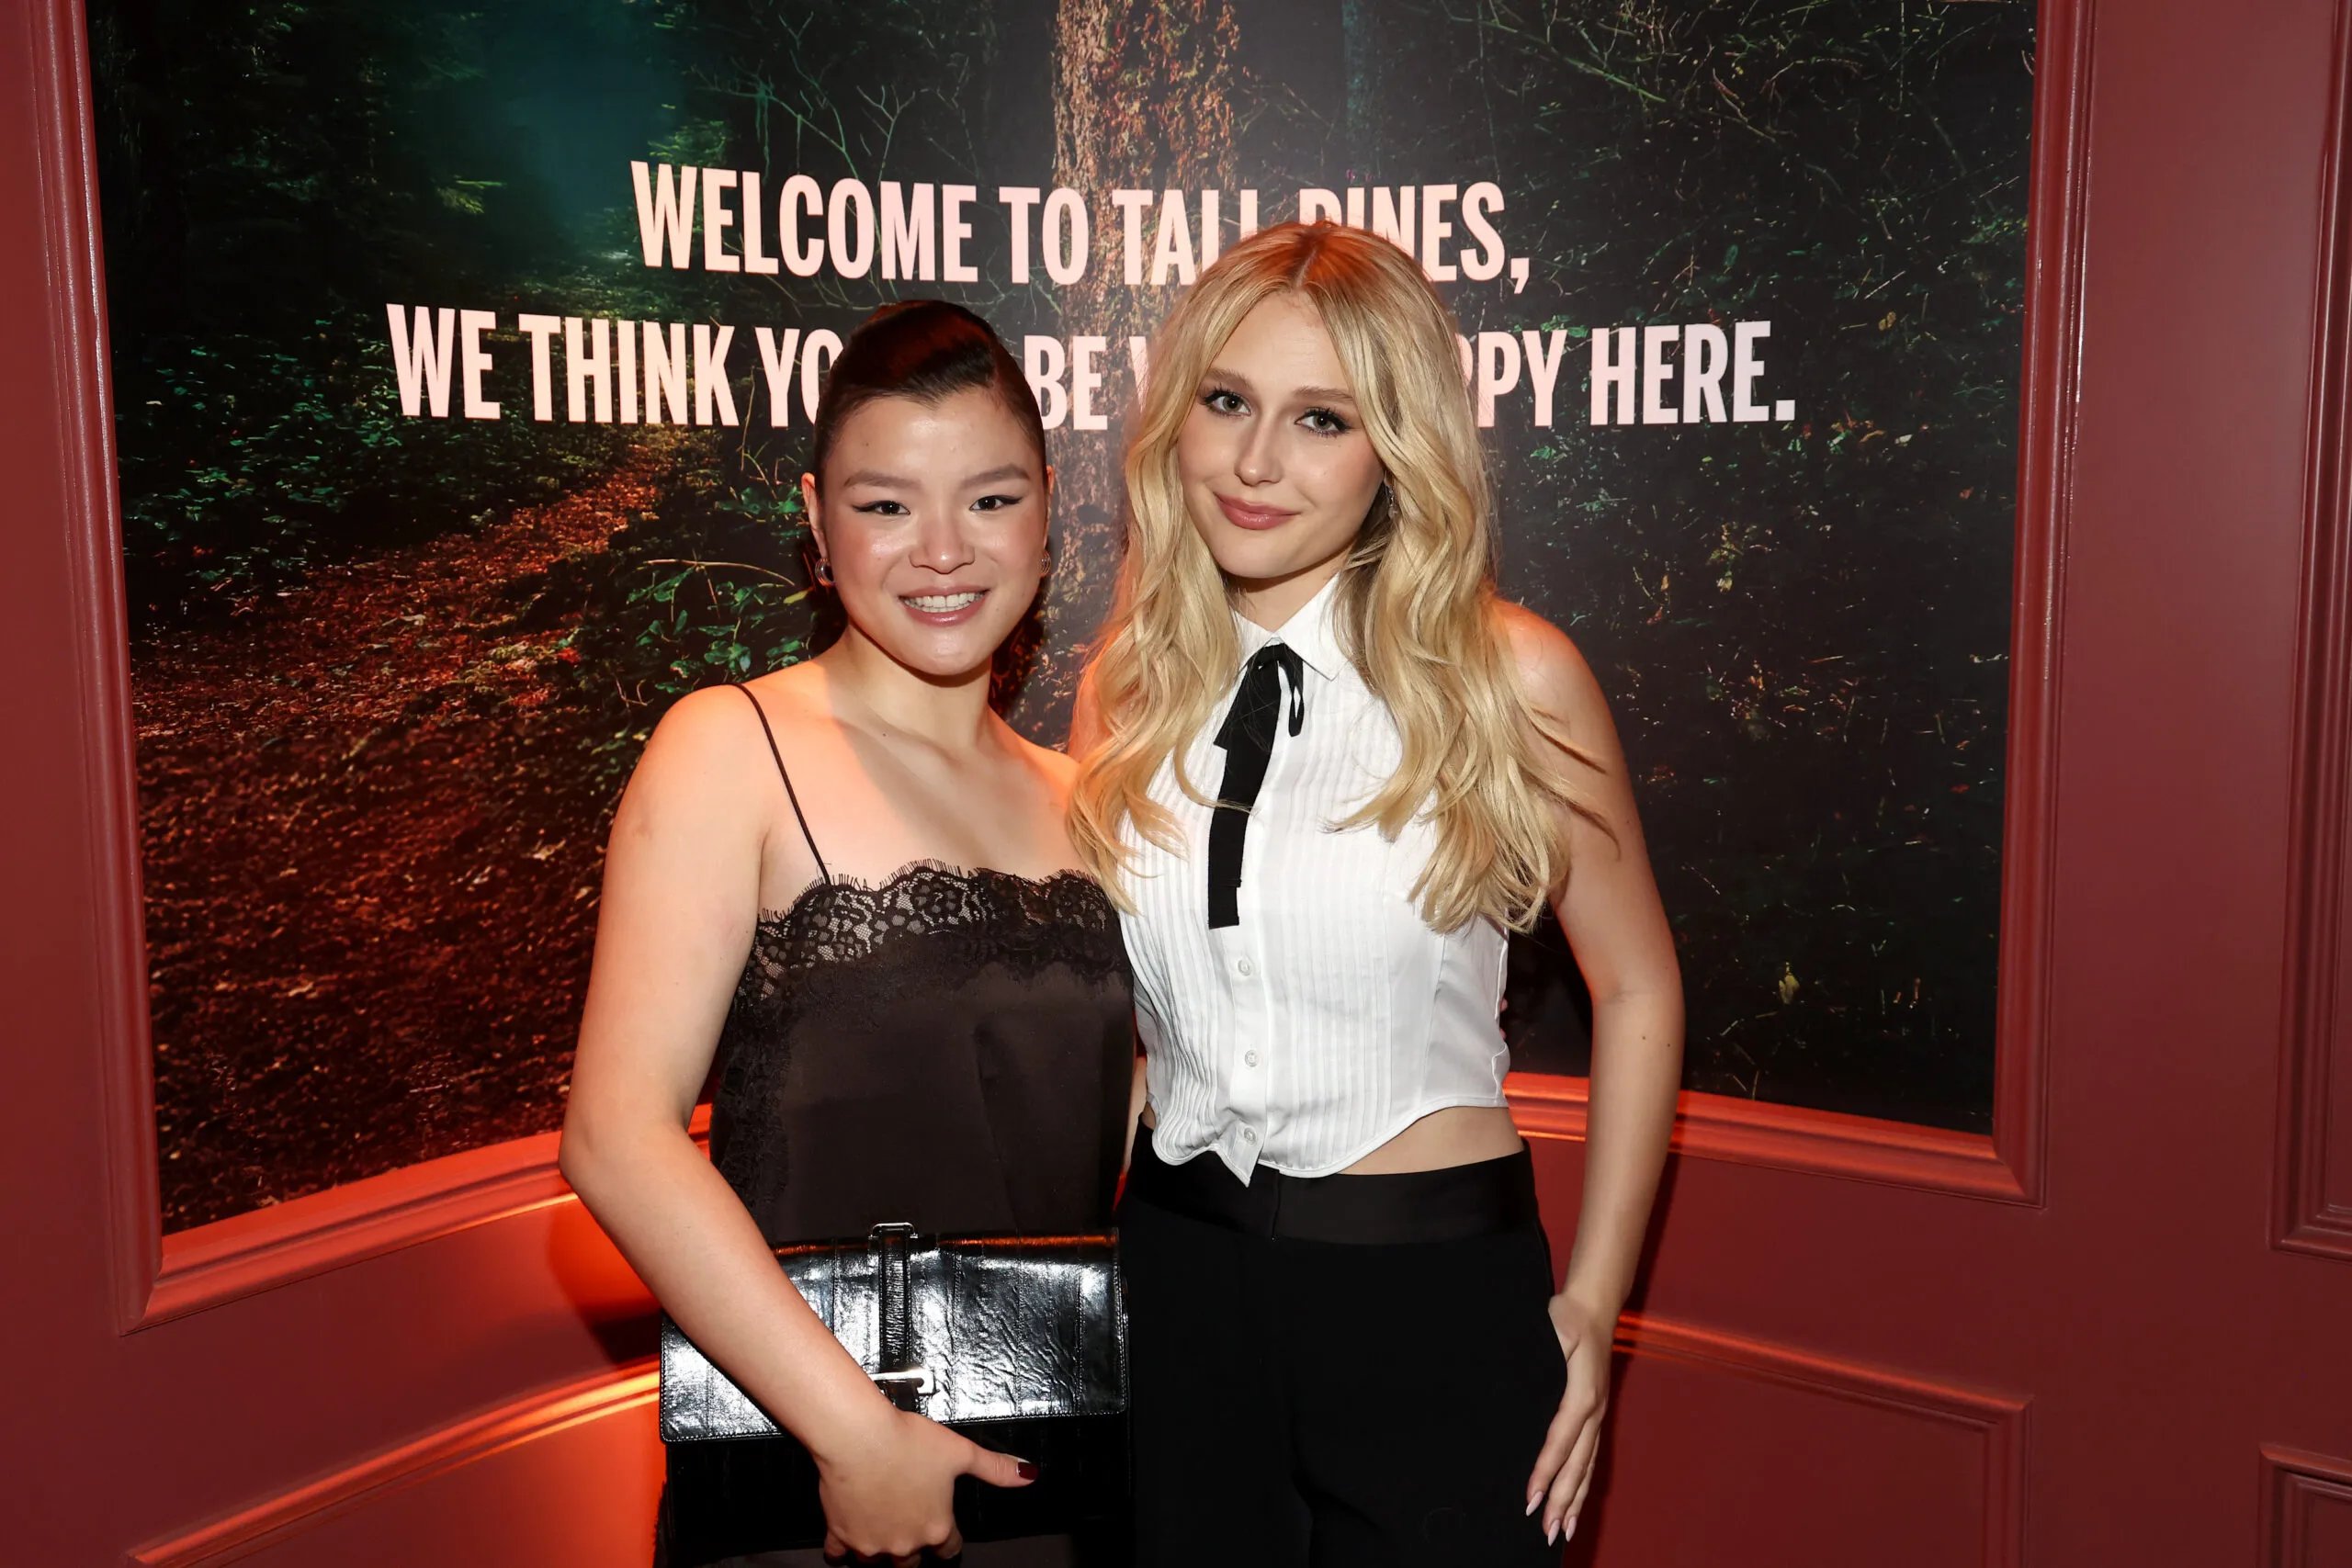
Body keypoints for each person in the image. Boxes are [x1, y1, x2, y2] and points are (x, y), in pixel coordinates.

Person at [1070, 220, 1685, 1566]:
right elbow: (1144, 1034)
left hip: (1429, 1298)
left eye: (1321, 419)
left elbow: (1638, 986)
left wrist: (1594, 1303)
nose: (1254, 461)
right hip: (1179, 1283)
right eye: (1226, 402)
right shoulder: (1127, 683)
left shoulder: (1509, 679)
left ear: (1394, 448)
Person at [560, 300, 1134, 1567]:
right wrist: (855, 1439)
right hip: (811, 1485)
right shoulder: (732, 746)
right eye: (886, 506)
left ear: (1048, 506)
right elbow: (616, 1137)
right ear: (818, 522)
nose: (941, 551)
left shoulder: (1079, 792)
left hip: (1062, 1463)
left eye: (988, 501)